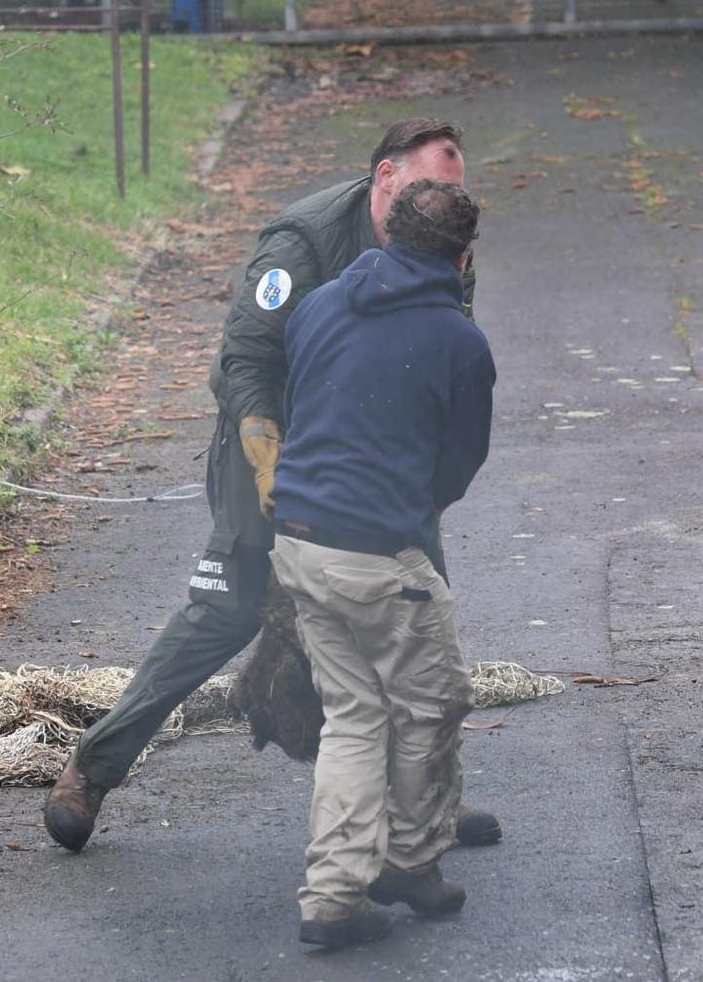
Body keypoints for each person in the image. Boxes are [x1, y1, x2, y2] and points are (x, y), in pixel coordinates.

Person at [43, 120, 504, 856]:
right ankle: (90, 771)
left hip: (369, 467)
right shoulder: (304, 241)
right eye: (430, 189)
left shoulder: (446, 244)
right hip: (267, 445)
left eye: (454, 193)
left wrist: (424, 496)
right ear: (384, 178)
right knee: (223, 611)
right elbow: (244, 362)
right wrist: (268, 466)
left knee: (413, 614)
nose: (446, 206)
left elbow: (443, 370)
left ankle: (421, 810)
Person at [271, 180, 496, 951]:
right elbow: (458, 466)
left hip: (298, 541)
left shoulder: (320, 304)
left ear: (388, 237)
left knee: (355, 714)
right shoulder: (459, 339)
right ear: (462, 257)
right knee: (432, 704)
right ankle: (408, 860)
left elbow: (303, 404)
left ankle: (332, 897)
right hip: (379, 553)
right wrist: (407, 510)